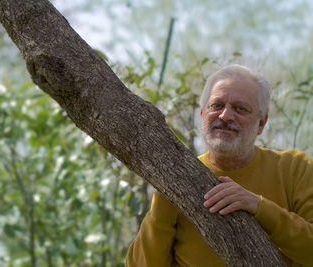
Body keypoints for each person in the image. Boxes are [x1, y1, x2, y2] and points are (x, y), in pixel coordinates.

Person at [125, 64, 313, 266]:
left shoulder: (294, 168)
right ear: (203, 114)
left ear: (261, 123)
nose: (225, 116)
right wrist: (163, 207)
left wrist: (260, 208)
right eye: (217, 105)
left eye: (240, 109)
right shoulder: (180, 178)